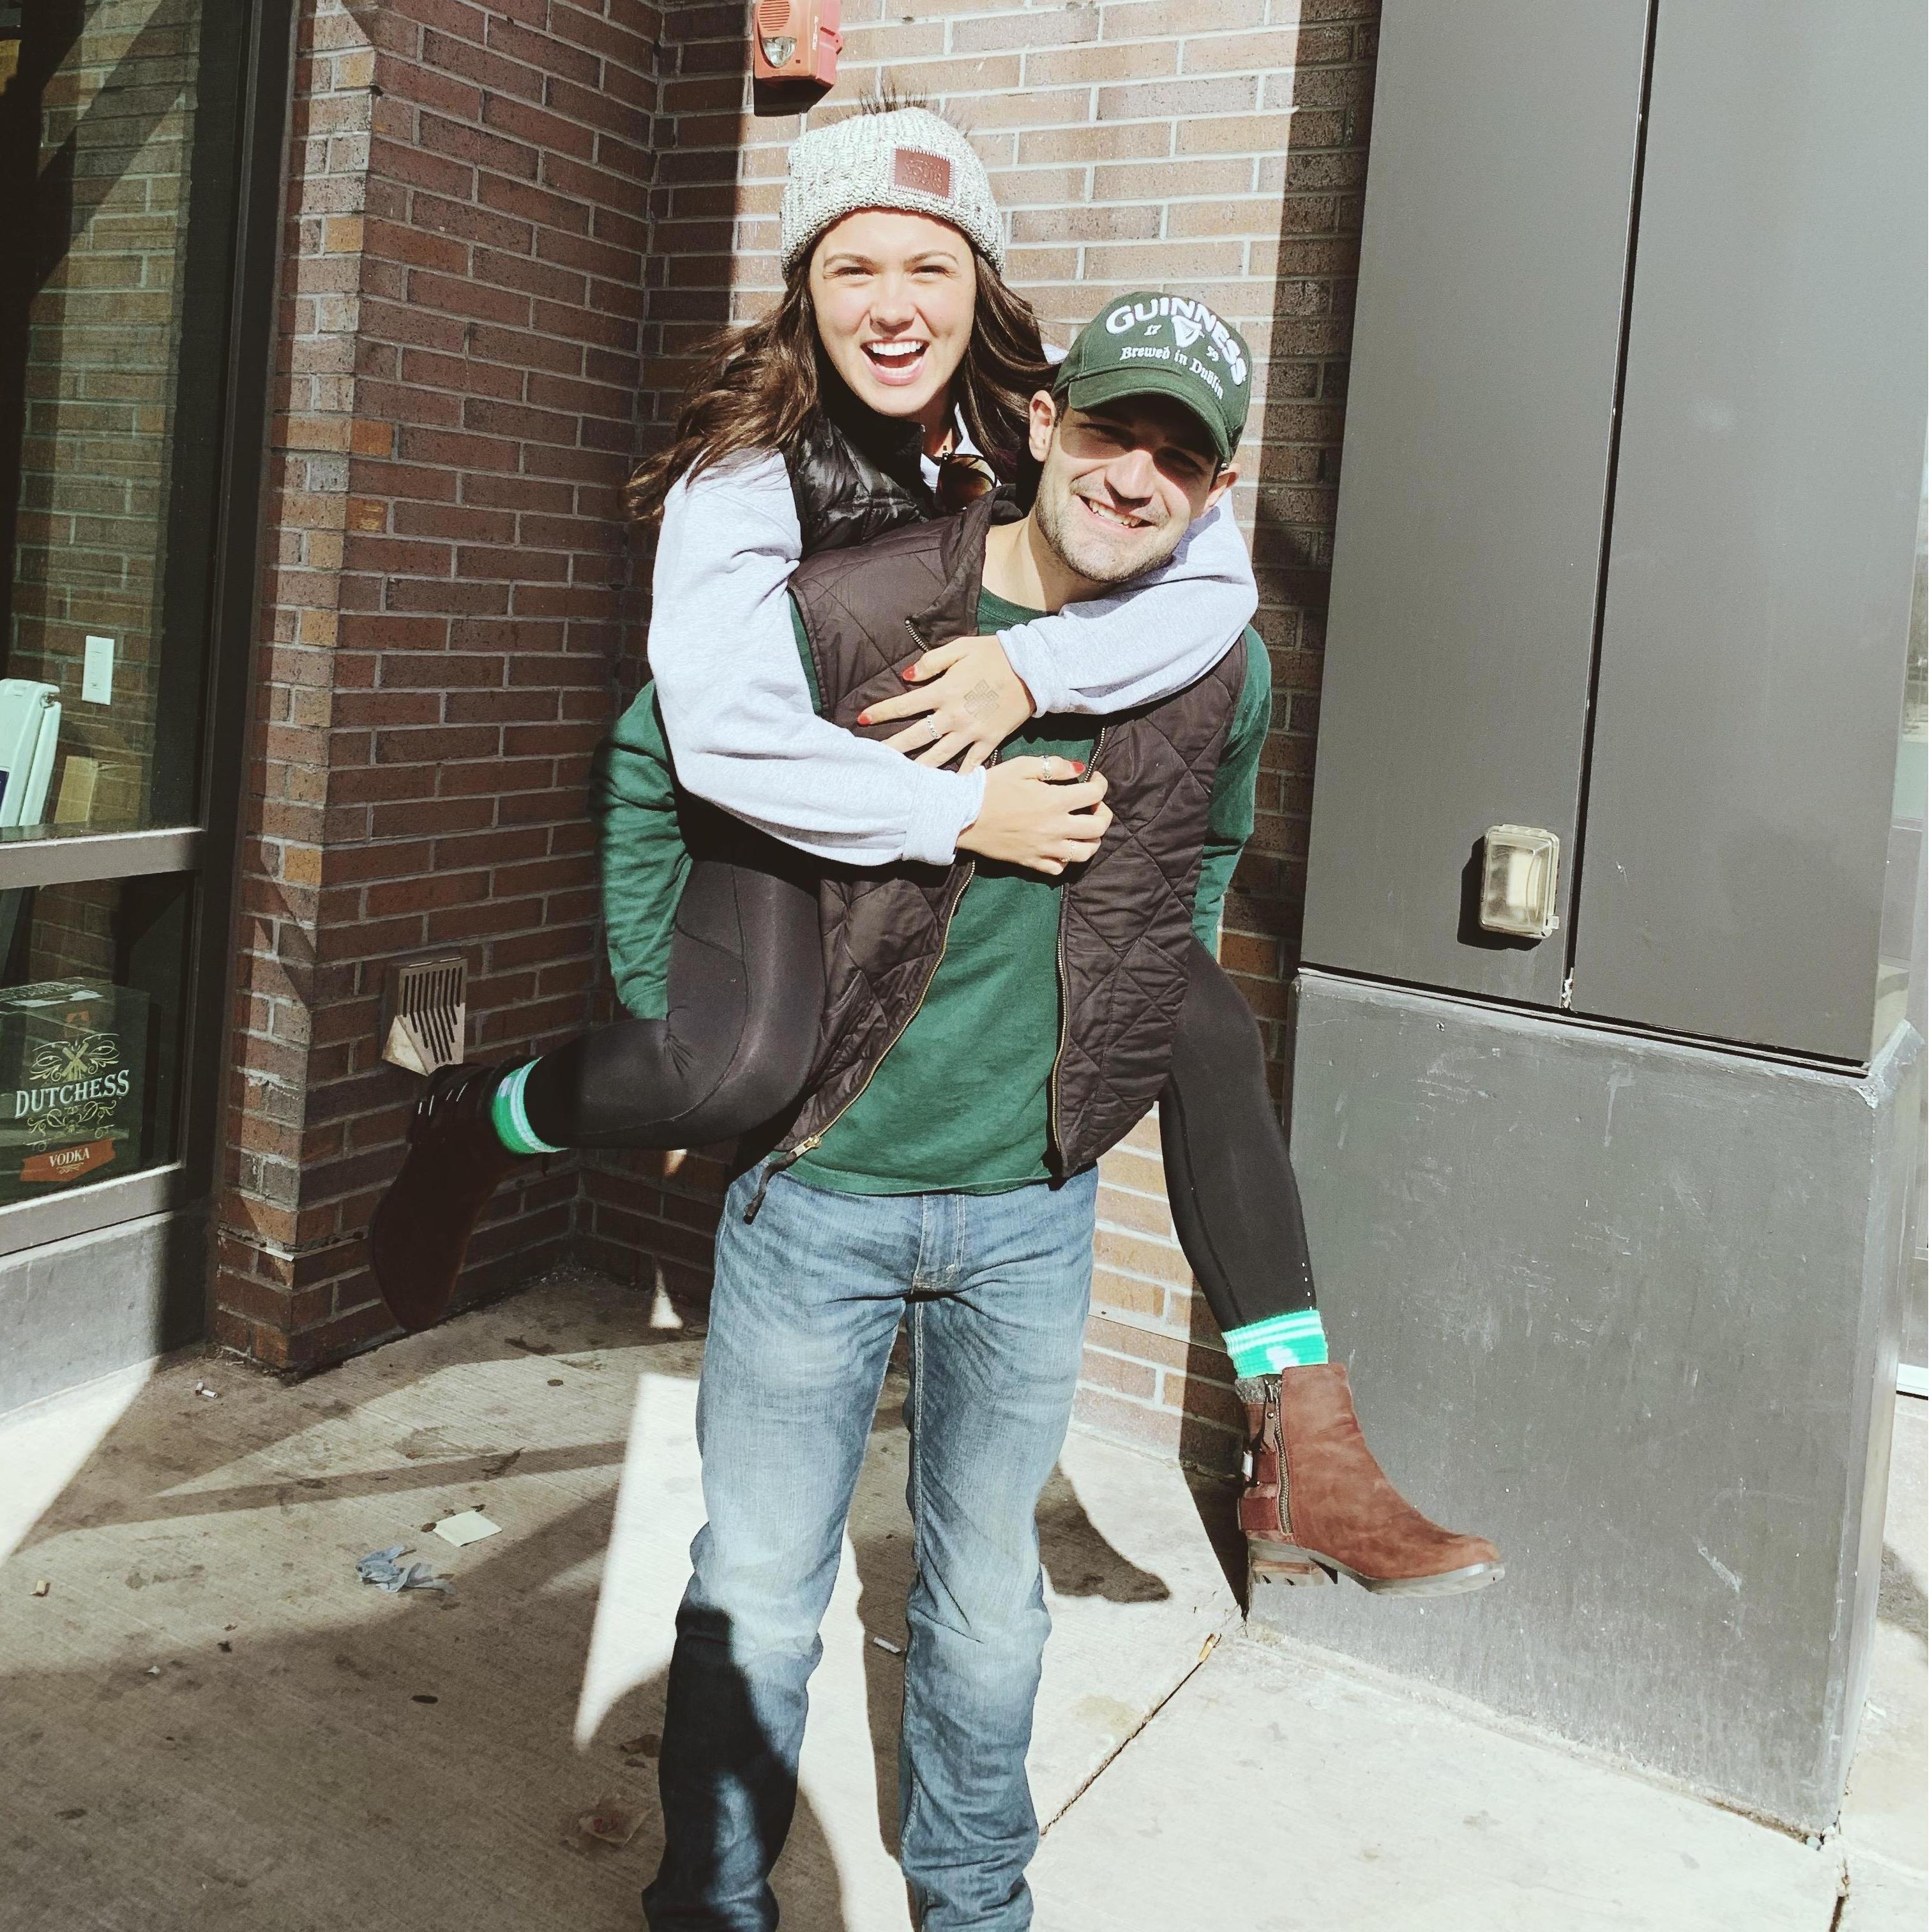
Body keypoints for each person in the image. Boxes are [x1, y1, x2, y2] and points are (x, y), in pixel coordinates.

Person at [366, 103, 1501, 1603]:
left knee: (1203, 1023)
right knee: (729, 1065)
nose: (893, 308)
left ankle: (1306, 1441)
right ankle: (478, 1118)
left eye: (930, 268)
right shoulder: (745, 475)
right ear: (805, 286)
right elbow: (716, 740)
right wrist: (963, 815)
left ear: (981, 289)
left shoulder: (1053, 408)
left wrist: (1029, 673)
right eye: (854, 269)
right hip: (746, 787)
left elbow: (1212, 582)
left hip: (911, 750)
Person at [645, 304, 1278, 1931]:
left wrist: (1122, 1045)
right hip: (821, 1187)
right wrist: (687, 1035)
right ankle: (711, 1898)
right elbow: (666, 771)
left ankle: (975, 1901)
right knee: (757, 1589)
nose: (1133, 477)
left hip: (1029, 1209)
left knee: (988, 1600)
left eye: (1179, 458)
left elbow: (1200, 864)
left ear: (1214, 492)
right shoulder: (861, 608)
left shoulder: (1220, 664)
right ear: (1046, 422)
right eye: (1112, 431)